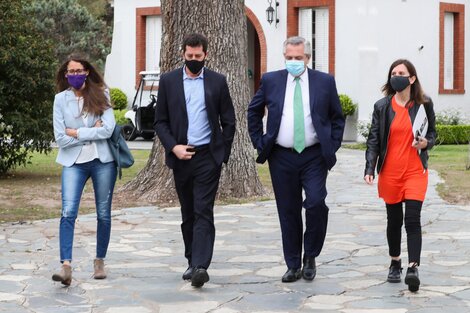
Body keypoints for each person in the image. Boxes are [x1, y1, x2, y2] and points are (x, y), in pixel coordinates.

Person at [247, 36, 345, 283]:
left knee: (316, 203)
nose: (293, 62)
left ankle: (310, 255)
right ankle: (293, 264)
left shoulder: (324, 82)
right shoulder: (271, 81)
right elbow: (254, 111)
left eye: (298, 58)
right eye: (289, 58)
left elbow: (337, 117)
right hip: (281, 156)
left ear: (307, 58)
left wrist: (331, 146)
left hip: (314, 155)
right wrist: (260, 142)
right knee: (288, 211)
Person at [154, 33, 236, 288]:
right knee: (188, 211)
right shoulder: (168, 81)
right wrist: (173, 147)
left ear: (205, 55)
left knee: (203, 210)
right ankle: (191, 259)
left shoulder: (217, 82)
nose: (193, 60)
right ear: (183, 54)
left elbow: (229, 121)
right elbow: (160, 121)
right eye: (189, 56)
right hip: (181, 156)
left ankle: (201, 266)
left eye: (198, 57)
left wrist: (220, 152)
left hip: (207, 157)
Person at [364, 59, 436, 292]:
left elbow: (432, 134)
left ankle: (413, 267)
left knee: (412, 219)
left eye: (401, 73)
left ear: (412, 78)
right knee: (394, 220)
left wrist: (425, 143)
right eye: (393, 73)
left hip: (415, 171)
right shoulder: (382, 106)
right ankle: (395, 262)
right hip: (390, 173)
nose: (397, 76)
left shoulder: (424, 104)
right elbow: (374, 139)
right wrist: (369, 168)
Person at [52, 55, 117, 286]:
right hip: (73, 163)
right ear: (66, 74)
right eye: (71, 71)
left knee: (103, 213)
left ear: (87, 71)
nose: (75, 75)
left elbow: (108, 130)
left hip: (103, 161)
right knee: (68, 211)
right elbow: (60, 138)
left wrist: (76, 132)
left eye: (79, 70)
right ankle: (66, 266)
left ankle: (99, 260)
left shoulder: (101, 94)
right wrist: (90, 131)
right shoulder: (60, 100)